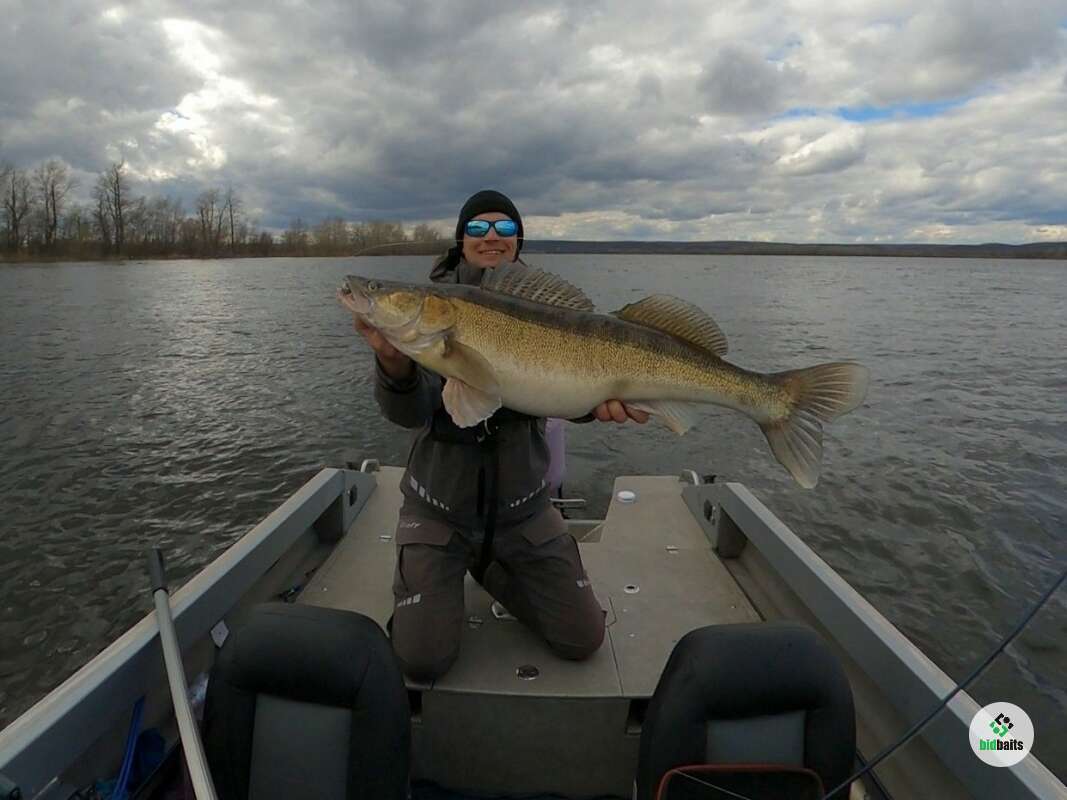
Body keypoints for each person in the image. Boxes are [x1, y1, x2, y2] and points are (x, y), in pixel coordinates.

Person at [351, 189, 648, 681]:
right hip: (439, 510)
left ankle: (489, 566)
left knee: (582, 639)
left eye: (506, 228)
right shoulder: (434, 318)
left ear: (517, 241)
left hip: (522, 511)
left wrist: (597, 408)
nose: (492, 236)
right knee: (422, 660)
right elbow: (410, 411)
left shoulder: (546, 313)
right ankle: (443, 569)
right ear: (461, 240)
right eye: (479, 227)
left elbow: (565, 390)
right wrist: (392, 361)